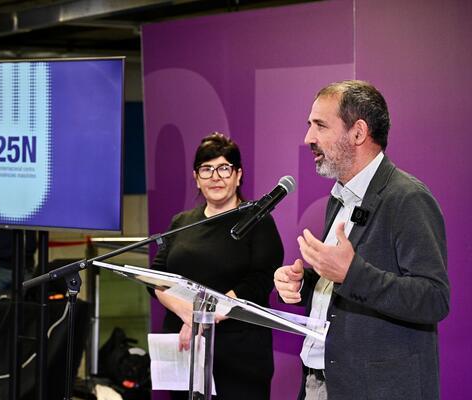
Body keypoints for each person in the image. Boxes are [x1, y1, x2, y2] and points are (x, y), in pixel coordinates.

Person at [274, 80, 450, 400]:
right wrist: (305, 284)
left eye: (320, 126)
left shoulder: (407, 198)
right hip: (322, 381)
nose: (308, 138)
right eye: (309, 125)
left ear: (357, 133)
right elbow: (342, 287)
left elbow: (434, 298)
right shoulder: (339, 197)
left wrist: (350, 273)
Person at [151, 132, 284, 399]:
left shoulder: (256, 219)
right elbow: (157, 276)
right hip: (187, 348)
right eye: (206, 169)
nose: (215, 176)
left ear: (238, 175)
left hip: (240, 355)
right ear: (196, 178)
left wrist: (204, 316)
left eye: (224, 168)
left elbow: (260, 280)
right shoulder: (182, 222)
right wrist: (190, 315)